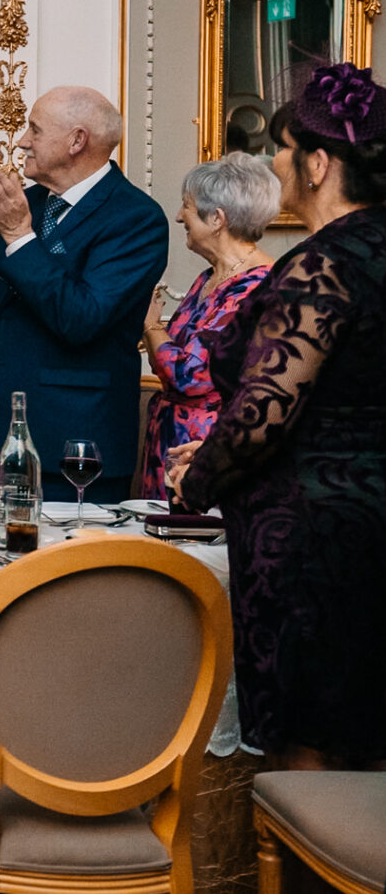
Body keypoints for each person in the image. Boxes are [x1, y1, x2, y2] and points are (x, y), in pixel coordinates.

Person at [170, 62, 386, 769]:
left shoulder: (320, 266)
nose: (276, 162)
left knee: (313, 756)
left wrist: (196, 479)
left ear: (319, 164)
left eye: (284, 150)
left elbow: (265, 410)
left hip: (320, 538)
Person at [0, 87, 169, 503]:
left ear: (77, 141)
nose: (22, 140)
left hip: (74, 450)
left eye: (34, 130)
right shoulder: (30, 203)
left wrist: (20, 237)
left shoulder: (136, 219)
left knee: (65, 569)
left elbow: (81, 318)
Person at [137, 154, 279, 499]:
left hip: (201, 447)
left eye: (187, 206)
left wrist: (152, 326)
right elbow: (168, 365)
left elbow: (190, 376)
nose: (178, 216)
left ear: (217, 218)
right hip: (168, 438)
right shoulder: (208, 278)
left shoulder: (255, 287)